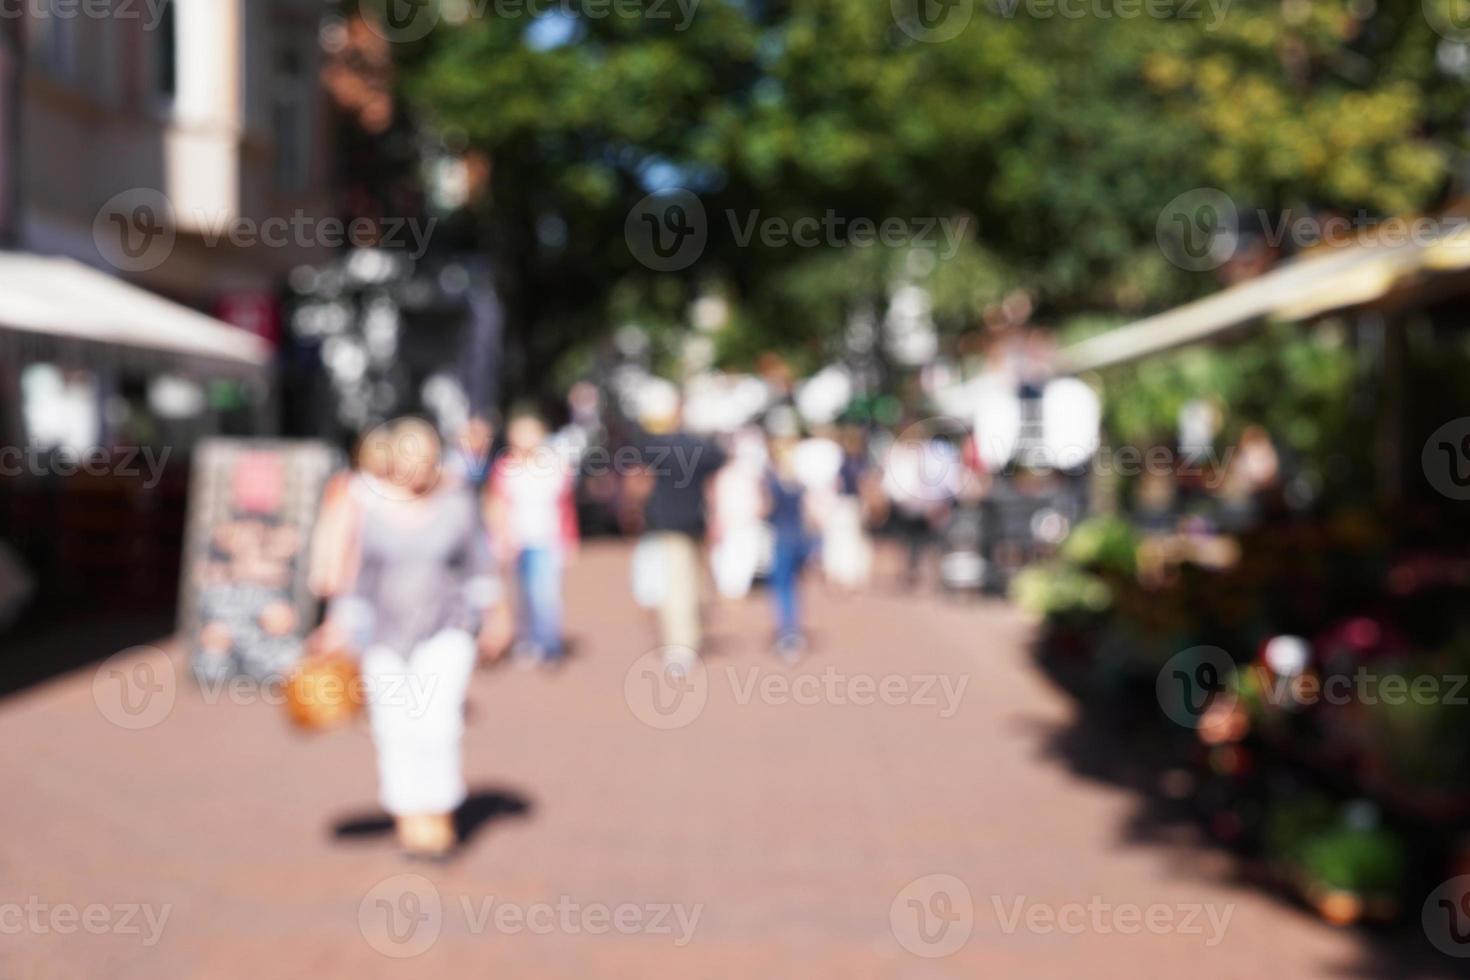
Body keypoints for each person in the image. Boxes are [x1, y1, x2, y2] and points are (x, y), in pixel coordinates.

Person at [317, 418, 500, 859]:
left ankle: (439, 812)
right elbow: (362, 579)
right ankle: (408, 815)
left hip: (446, 629)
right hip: (386, 633)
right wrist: (339, 625)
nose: (415, 468)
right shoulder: (373, 511)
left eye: (424, 457)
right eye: (406, 457)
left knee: (436, 723)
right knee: (394, 726)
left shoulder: (458, 504)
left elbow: (480, 565)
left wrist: (494, 615)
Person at [623, 397, 725, 666]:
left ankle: (681, 645)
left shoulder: (651, 447)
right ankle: (692, 633)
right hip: (696, 521)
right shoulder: (701, 447)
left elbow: (636, 484)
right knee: (695, 582)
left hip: (666, 524)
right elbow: (715, 482)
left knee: (676, 586)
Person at [486, 412, 578, 665]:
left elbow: (566, 507)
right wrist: (500, 537)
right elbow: (497, 504)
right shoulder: (506, 468)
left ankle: (549, 643)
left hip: (547, 539)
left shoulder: (555, 468)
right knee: (522, 593)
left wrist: (570, 541)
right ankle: (527, 640)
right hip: (517, 540)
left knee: (546, 593)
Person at [764, 432, 816, 660]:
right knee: (793, 588)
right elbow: (809, 515)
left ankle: (788, 632)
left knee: (782, 588)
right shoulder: (800, 483)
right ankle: (792, 630)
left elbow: (765, 509)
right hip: (799, 539)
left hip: (781, 540)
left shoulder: (773, 481)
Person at [708, 426, 767, 602]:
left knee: (743, 554)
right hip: (732, 519)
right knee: (730, 553)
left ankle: (734, 590)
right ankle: (730, 589)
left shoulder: (740, 474)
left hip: (744, 519)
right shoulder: (726, 474)